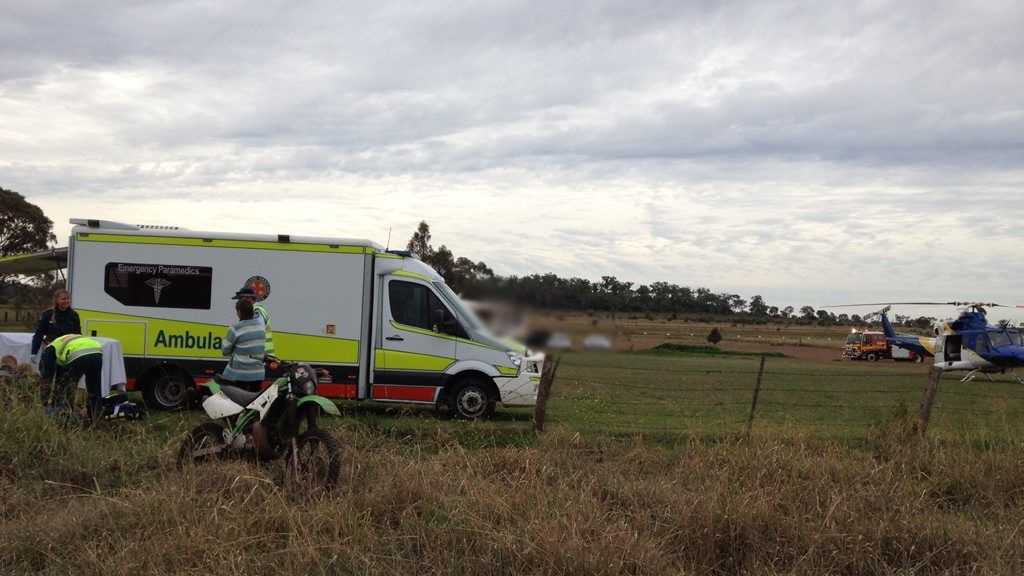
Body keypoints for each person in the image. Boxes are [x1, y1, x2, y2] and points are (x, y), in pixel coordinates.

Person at [38, 333, 103, 421]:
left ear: (46, 343)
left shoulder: (49, 348)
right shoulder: (63, 342)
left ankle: (64, 416)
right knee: (94, 388)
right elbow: (59, 375)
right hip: (97, 351)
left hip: (78, 353)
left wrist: (44, 402)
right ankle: (95, 417)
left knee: (68, 387)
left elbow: (47, 378)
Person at [221, 299, 266, 392]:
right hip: (258, 374)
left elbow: (225, 351)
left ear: (239, 312)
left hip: (240, 375)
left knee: (238, 402)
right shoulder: (261, 327)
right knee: (253, 401)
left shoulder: (236, 329)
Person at [31, 289, 82, 365]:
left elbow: (78, 335)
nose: (66, 301)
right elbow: (39, 334)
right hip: (50, 350)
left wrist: (79, 351)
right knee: (47, 375)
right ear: (56, 300)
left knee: (63, 376)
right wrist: (34, 352)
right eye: (63, 299)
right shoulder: (48, 314)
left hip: (67, 351)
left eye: (68, 299)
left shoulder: (74, 315)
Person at [233, 286, 275, 358]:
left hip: (263, 357)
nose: (238, 302)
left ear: (248, 299)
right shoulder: (254, 310)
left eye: (240, 299)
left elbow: (256, 330)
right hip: (262, 356)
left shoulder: (257, 311)